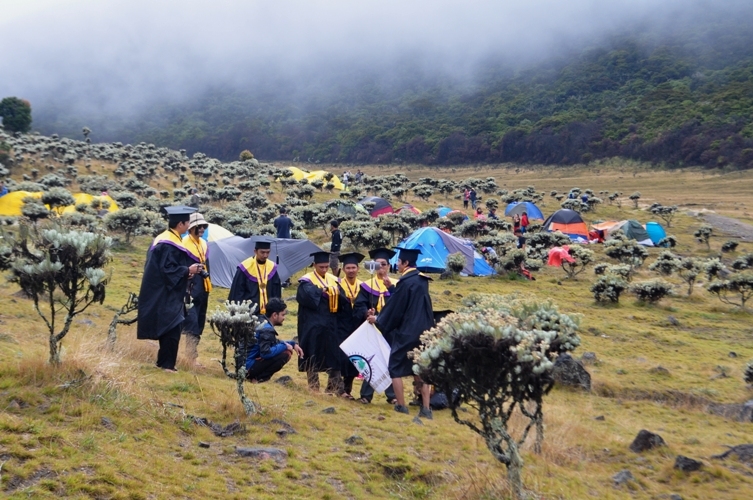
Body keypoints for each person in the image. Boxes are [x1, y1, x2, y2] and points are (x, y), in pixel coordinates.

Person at [367, 248, 435, 419]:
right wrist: (392, 288)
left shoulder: (406, 281)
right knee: (421, 368)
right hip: (424, 330)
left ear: (405, 263)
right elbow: (410, 301)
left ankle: (401, 405)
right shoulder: (421, 279)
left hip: (407, 332)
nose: (397, 264)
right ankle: (426, 409)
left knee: (395, 367)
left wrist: (379, 319)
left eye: (399, 262)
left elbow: (397, 308)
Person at [137, 205, 203, 373]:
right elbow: (168, 270)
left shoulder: (164, 238)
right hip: (164, 292)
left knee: (170, 325)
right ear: (180, 224)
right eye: (187, 223)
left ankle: (163, 363)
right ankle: (167, 365)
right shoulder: (169, 243)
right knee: (173, 326)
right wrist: (188, 270)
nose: (189, 226)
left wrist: (184, 274)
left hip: (160, 288)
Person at [296, 251, 344, 393]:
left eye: (326, 267)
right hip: (313, 324)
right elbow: (306, 297)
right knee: (312, 352)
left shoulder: (333, 279)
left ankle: (333, 387)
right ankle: (313, 386)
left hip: (331, 323)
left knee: (334, 353)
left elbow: (343, 299)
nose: (324, 269)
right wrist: (322, 290)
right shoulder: (306, 281)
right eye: (321, 267)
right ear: (314, 265)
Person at [355, 248, 398, 404]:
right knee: (372, 359)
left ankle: (392, 395)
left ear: (388, 266)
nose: (381, 267)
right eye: (378, 264)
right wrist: (367, 312)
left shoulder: (396, 284)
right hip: (373, 328)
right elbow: (359, 305)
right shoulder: (367, 285)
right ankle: (366, 396)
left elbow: (400, 307)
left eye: (384, 264)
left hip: (391, 329)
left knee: (390, 360)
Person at [244, 298, 304, 383]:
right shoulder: (267, 329)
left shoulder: (261, 321)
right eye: (283, 315)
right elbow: (266, 353)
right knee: (286, 353)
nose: (284, 318)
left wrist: (292, 343)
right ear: (275, 315)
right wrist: (284, 346)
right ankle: (258, 379)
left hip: (243, 364)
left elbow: (273, 342)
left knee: (282, 348)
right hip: (248, 367)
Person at [182, 212, 212, 367]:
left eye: (203, 226)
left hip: (203, 288)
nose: (201, 229)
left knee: (199, 322)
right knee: (192, 322)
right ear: (191, 228)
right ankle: (190, 358)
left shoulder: (204, 244)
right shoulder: (184, 244)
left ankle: (190, 356)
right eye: (198, 226)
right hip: (189, 289)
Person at [336, 252, 367, 399]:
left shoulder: (363, 286)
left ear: (358, 269)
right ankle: (339, 388)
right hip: (340, 325)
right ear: (343, 269)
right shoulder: (337, 285)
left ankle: (347, 389)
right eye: (348, 268)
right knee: (340, 357)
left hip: (357, 326)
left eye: (353, 267)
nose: (351, 270)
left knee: (354, 359)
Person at [228, 240, 282, 315]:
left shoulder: (271, 267)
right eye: (262, 252)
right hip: (248, 312)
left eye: (268, 252)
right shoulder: (245, 268)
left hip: (268, 312)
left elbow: (276, 292)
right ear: (255, 251)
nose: (265, 255)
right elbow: (237, 293)